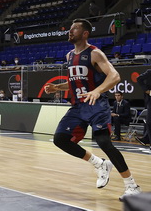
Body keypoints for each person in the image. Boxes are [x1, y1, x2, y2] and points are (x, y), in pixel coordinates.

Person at [44, 18, 141, 201]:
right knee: (60, 139)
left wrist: (97, 91)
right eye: (70, 29)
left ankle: (132, 185)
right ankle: (99, 164)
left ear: (85, 34)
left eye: (74, 29)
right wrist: (58, 88)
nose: (70, 32)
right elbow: (75, 82)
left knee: (104, 141)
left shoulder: (95, 53)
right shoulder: (69, 56)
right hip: (79, 105)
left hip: (97, 105)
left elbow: (115, 76)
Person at [135, 69, 151, 146]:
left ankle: (146, 139)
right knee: (149, 122)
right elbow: (139, 79)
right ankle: (147, 139)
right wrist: (146, 90)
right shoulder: (149, 72)